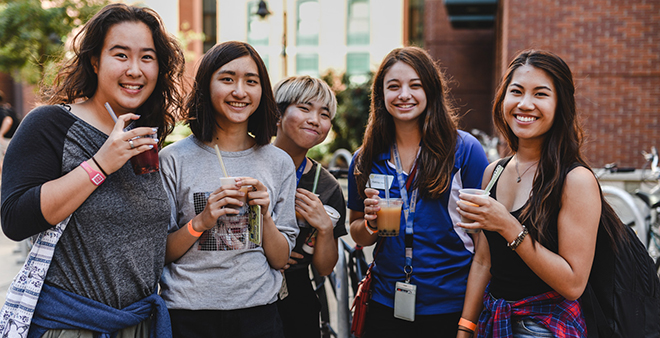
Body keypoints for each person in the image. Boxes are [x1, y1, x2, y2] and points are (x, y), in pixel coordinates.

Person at [0, 3, 185, 337]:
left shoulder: (147, 135)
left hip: (139, 324)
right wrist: (100, 164)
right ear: (95, 61)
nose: (135, 69)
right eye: (120, 55)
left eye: (147, 57)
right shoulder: (50, 124)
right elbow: (15, 218)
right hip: (73, 326)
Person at [455, 50, 629, 338]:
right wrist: (466, 327)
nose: (525, 104)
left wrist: (508, 225)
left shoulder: (575, 180)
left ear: (560, 104)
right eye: (517, 91)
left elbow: (573, 283)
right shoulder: (493, 172)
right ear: (503, 99)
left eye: (540, 94)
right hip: (494, 322)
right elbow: (484, 261)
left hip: (545, 327)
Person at [347, 46, 489, 337]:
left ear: (431, 91)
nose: (404, 95)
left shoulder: (465, 150)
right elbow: (357, 231)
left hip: (451, 305)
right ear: (381, 94)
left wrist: (468, 322)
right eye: (394, 86)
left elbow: (485, 245)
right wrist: (371, 223)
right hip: (386, 302)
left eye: (415, 85)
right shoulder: (365, 158)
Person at [159, 41, 298, 338]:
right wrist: (202, 220)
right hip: (189, 313)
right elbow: (162, 252)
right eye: (227, 79)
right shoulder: (173, 160)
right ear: (206, 86)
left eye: (251, 81)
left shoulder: (278, 162)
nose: (240, 91)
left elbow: (280, 258)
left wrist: (265, 215)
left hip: (258, 312)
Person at [272, 75, 347, 338]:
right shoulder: (248, 165)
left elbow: (325, 268)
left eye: (324, 114)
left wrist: (325, 228)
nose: (315, 119)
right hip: (246, 294)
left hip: (297, 296)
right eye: (304, 108)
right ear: (277, 114)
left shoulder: (328, 186)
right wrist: (272, 250)